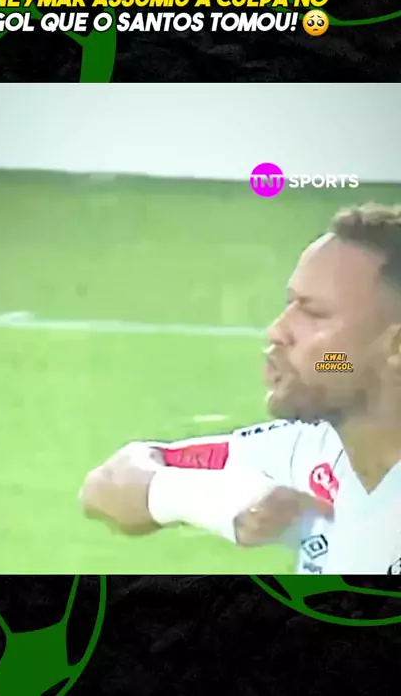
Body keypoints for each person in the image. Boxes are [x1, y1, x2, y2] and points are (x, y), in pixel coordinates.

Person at [80, 203, 401, 574]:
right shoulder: (308, 452)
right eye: (290, 305)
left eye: (314, 314)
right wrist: (209, 499)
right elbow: (107, 483)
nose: (277, 331)